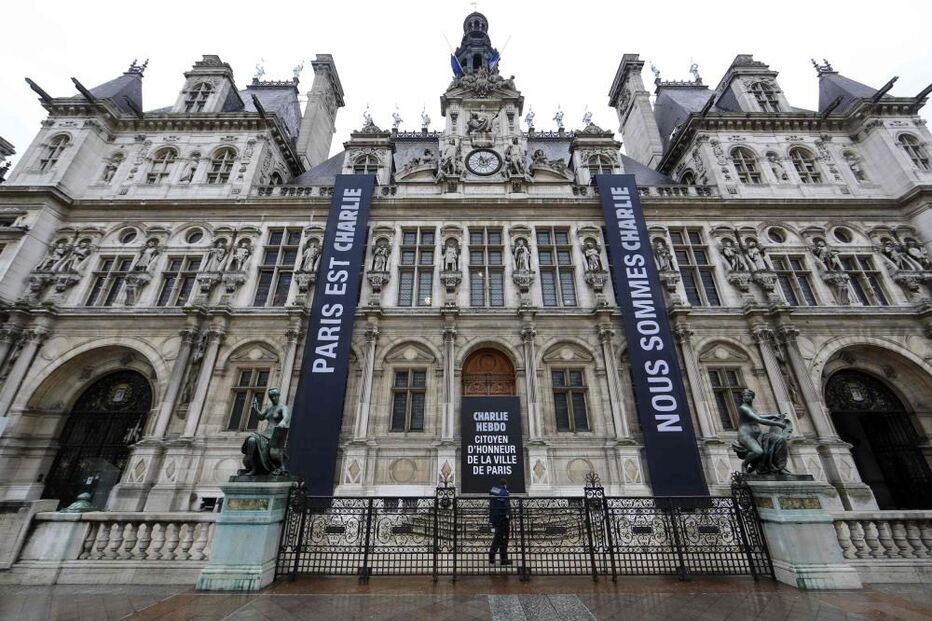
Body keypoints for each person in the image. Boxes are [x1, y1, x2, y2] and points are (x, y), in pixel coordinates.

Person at [488, 478, 512, 566]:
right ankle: (502, 559)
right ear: (505, 484)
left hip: (495, 518)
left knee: (498, 537)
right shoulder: (505, 492)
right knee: (503, 539)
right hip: (503, 519)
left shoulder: (493, 490)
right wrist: (508, 516)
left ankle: (495, 555)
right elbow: (506, 506)